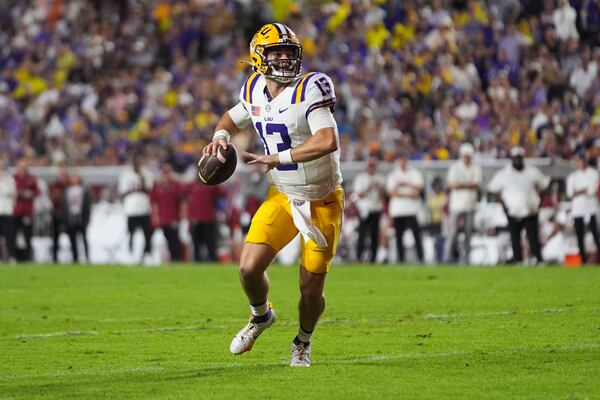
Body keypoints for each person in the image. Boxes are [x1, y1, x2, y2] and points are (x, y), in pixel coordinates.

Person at [201, 23, 343, 367]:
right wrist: (221, 135)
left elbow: (327, 140)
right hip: (282, 194)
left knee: (310, 289)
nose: (284, 58)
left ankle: (303, 342)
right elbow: (232, 118)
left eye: (289, 51)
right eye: (276, 52)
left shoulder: (311, 86)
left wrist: (277, 157)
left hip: (322, 199)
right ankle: (261, 316)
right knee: (248, 268)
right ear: (258, 58)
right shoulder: (252, 88)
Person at [488, 146, 550, 264]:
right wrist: (503, 204)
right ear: (512, 159)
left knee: (533, 236)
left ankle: (539, 259)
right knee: (515, 237)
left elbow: (544, 186)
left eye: (519, 158)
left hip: (530, 209)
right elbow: (492, 189)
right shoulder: (504, 173)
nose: (517, 160)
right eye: (515, 158)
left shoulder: (532, 171)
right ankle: (518, 259)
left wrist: (539, 201)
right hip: (513, 210)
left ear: (523, 158)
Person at [443, 143, 482, 264]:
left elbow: (476, 185)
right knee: (452, 232)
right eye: (465, 156)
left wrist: (460, 185)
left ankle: (466, 258)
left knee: (468, 233)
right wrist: (467, 185)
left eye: (468, 156)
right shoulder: (455, 167)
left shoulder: (476, 167)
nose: (467, 158)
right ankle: (446, 257)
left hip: (470, 204)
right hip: (456, 204)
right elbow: (451, 185)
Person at [386, 152, 425, 263]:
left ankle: (421, 257)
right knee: (399, 236)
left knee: (416, 234)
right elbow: (390, 192)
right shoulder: (393, 174)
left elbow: (419, 188)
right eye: (401, 160)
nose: (403, 162)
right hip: (398, 210)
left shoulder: (414, 173)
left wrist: (405, 183)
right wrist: (408, 193)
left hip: (412, 209)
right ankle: (401, 258)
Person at [118, 153, 154, 264]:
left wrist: (141, 179)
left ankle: (147, 254)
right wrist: (132, 190)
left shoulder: (147, 174)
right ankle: (130, 254)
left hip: (144, 208)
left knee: (147, 234)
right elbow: (122, 193)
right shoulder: (125, 176)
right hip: (131, 209)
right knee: (130, 233)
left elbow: (149, 189)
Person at [566, 152, 600, 263]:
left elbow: (592, 191)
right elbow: (570, 193)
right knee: (579, 236)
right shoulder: (573, 176)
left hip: (591, 208)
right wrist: (583, 190)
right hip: (578, 209)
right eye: (579, 160)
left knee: (596, 234)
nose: (581, 162)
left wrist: (579, 191)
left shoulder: (593, 173)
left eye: (583, 159)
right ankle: (582, 259)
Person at [351, 157, 385, 263]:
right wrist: (368, 187)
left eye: (373, 166)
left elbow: (383, 196)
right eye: (370, 166)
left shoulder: (379, 178)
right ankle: (359, 256)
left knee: (374, 234)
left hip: (375, 208)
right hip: (365, 209)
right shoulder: (360, 178)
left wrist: (379, 188)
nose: (371, 168)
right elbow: (358, 194)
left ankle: (373, 258)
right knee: (362, 234)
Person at [150, 164, 186, 262]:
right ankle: (171, 258)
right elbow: (155, 203)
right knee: (167, 239)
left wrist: (183, 214)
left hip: (174, 218)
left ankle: (177, 258)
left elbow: (182, 200)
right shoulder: (158, 187)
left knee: (175, 240)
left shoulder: (176, 185)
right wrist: (155, 217)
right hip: (163, 219)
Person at [186, 179, 227, 262]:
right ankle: (197, 261)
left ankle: (213, 260)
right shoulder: (192, 185)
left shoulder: (212, 185)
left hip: (209, 219)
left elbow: (223, 192)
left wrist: (215, 180)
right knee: (196, 244)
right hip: (196, 219)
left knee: (210, 243)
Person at [13, 158, 39, 262]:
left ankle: (28, 258)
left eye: (24, 166)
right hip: (15, 211)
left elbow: (36, 192)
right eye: (20, 165)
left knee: (28, 235)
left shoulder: (32, 178)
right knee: (13, 235)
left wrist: (29, 194)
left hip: (27, 211)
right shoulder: (13, 178)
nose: (22, 168)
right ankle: (13, 257)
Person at [62, 174, 91, 263]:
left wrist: (86, 219)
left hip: (80, 217)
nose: (74, 179)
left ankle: (87, 258)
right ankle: (75, 258)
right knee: (72, 240)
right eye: (72, 178)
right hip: (71, 218)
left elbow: (87, 206)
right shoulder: (67, 191)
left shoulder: (83, 191)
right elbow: (64, 206)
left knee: (84, 239)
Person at [49, 163, 70, 263]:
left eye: (64, 169)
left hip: (68, 213)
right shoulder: (55, 184)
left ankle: (74, 257)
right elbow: (53, 197)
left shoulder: (70, 183)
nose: (62, 171)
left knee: (71, 234)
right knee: (55, 235)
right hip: (57, 212)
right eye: (61, 169)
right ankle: (54, 258)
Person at [426, 176, 447, 263]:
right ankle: (437, 257)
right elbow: (430, 207)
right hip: (434, 221)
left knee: (441, 240)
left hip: (443, 222)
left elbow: (443, 207)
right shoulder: (432, 196)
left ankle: (441, 258)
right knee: (435, 240)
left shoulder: (444, 196)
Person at [0, 157, 16, 263]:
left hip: (7, 211)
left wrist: (12, 207)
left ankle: (10, 257)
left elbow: (14, 194)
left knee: (9, 236)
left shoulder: (9, 179)